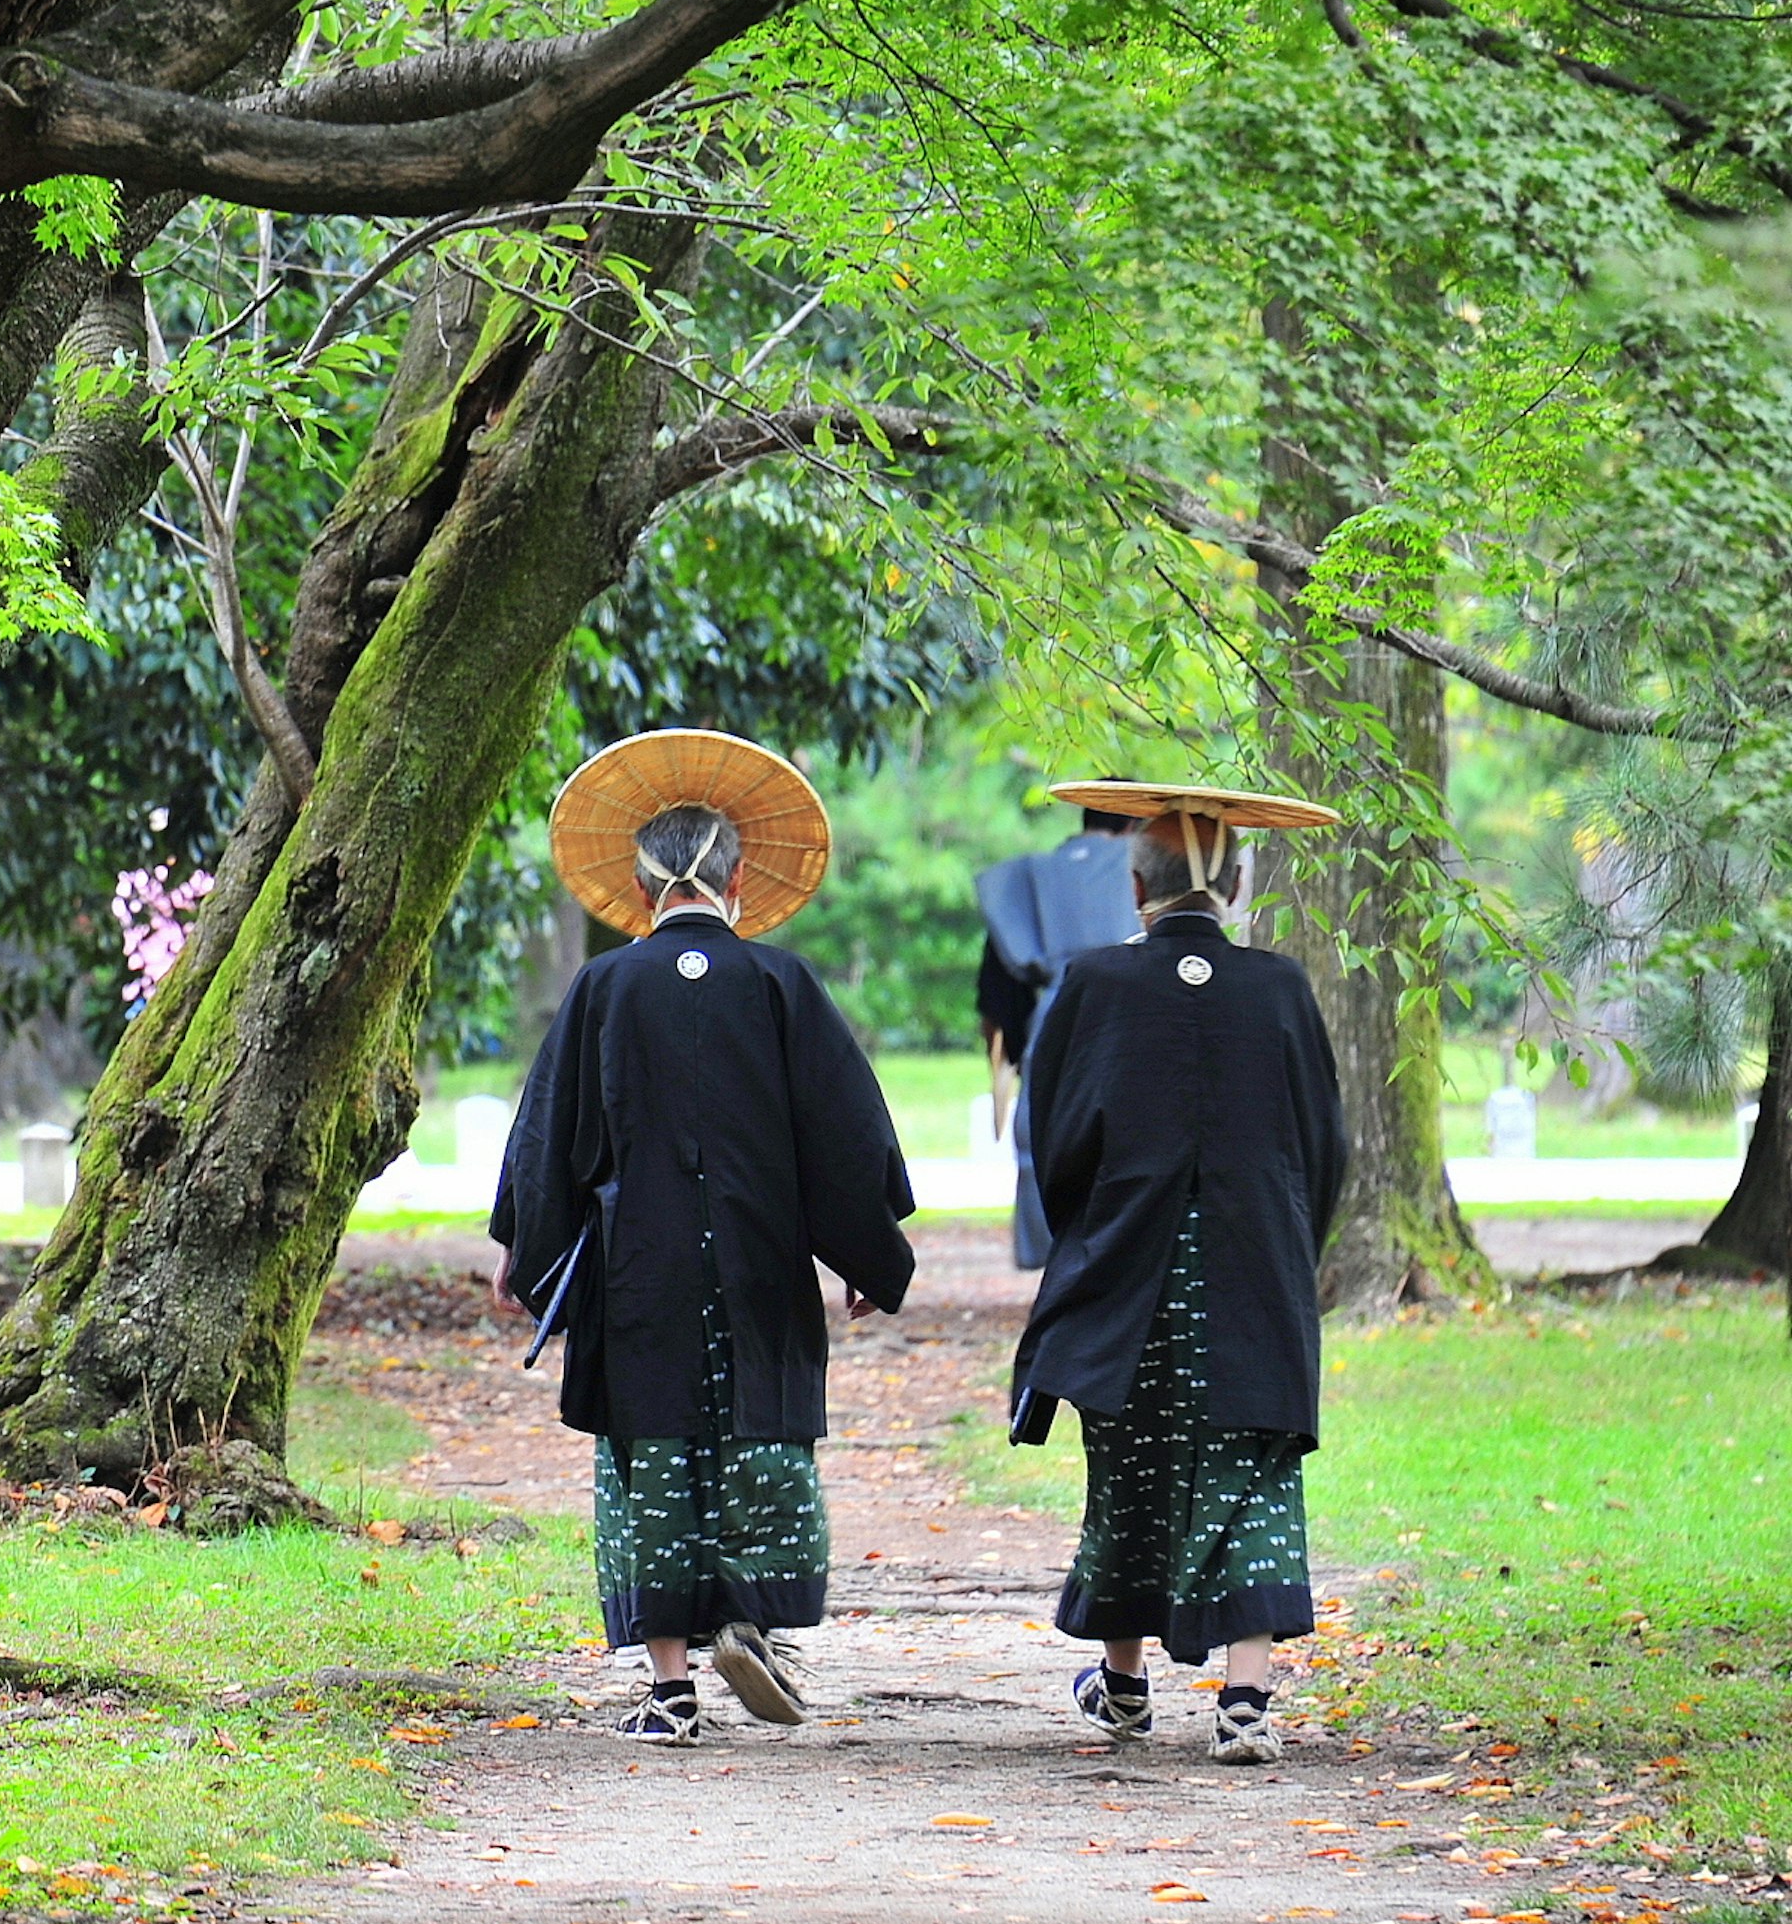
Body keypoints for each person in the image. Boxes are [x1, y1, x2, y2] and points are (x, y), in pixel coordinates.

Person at [495, 730, 917, 1745]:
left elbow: (549, 1138)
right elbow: (843, 1137)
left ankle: (672, 1686)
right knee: (756, 1442)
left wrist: (524, 1250)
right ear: (738, 881)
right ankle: (749, 1615)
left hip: (635, 1269)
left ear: (641, 890)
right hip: (761, 1266)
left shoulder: (601, 990)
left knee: (652, 1459)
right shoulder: (781, 984)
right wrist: (867, 1258)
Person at [1008, 782, 1347, 1767]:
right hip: (1253, 1271)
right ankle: (1244, 1698)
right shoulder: (1280, 988)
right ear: (1237, 883)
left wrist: (1090, 1231)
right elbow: (1323, 1143)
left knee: (1130, 1474)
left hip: (1129, 1270)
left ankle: (1122, 1688)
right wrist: (1292, 1238)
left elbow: (1053, 1138)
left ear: (1135, 886)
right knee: (1250, 1474)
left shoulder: (1092, 985)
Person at [976, 799, 1143, 1268]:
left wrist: (1005, 1039)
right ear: (1134, 821)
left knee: (1045, 1128)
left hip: (1055, 1012)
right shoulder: (1142, 864)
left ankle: (1049, 1251)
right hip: (1132, 1006)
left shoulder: (1034, 875)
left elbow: (997, 983)